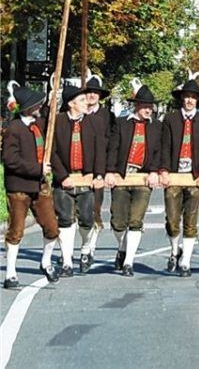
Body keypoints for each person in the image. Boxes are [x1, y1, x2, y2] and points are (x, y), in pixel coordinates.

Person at [2, 86, 60, 288]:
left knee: (52, 227)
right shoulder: (14, 129)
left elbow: (51, 115)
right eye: (37, 104)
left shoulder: (39, 125)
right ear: (28, 108)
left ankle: (45, 261)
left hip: (40, 185)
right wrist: (37, 169)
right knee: (16, 230)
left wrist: (54, 99)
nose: (39, 106)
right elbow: (10, 160)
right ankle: (10, 272)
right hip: (19, 186)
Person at [105, 85, 162, 276]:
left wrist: (154, 171)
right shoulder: (121, 123)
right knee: (118, 221)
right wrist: (110, 171)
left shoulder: (156, 126)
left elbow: (157, 152)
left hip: (143, 177)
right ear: (137, 105)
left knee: (136, 220)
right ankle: (122, 248)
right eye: (145, 105)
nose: (149, 109)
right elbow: (113, 148)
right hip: (122, 176)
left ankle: (129, 261)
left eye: (151, 106)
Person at [51, 85, 106, 276]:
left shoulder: (94, 122)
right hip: (64, 179)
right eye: (82, 100)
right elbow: (52, 151)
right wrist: (62, 176)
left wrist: (98, 174)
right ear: (71, 104)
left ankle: (85, 248)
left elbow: (100, 150)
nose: (86, 103)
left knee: (87, 218)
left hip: (87, 178)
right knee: (65, 219)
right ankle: (66, 262)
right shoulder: (57, 122)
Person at [160, 79, 199, 278]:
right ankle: (174, 250)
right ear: (182, 98)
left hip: (195, 175)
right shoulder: (171, 119)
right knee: (172, 220)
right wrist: (163, 170)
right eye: (187, 97)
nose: (190, 100)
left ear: (197, 100)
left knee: (191, 220)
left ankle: (186, 262)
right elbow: (164, 146)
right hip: (174, 173)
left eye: (193, 97)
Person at [85, 75, 112, 265]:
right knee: (70, 215)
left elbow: (111, 144)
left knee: (94, 210)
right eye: (88, 92)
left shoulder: (107, 116)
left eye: (95, 92)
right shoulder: (75, 112)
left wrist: (105, 171)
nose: (91, 96)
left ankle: (89, 248)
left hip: (98, 170)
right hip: (75, 170)